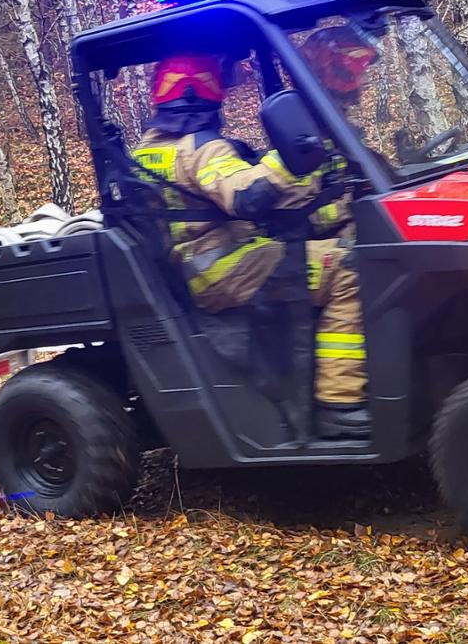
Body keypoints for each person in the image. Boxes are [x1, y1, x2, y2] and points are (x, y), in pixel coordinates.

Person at [131, 52, 369, 439]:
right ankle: (339, 402)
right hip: (226, 268)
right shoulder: (202, 149)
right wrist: (289, 159)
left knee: (323, 245)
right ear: (209, 92)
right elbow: (246, 197)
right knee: (348, 269)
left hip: (196, 268)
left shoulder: (148, 150)